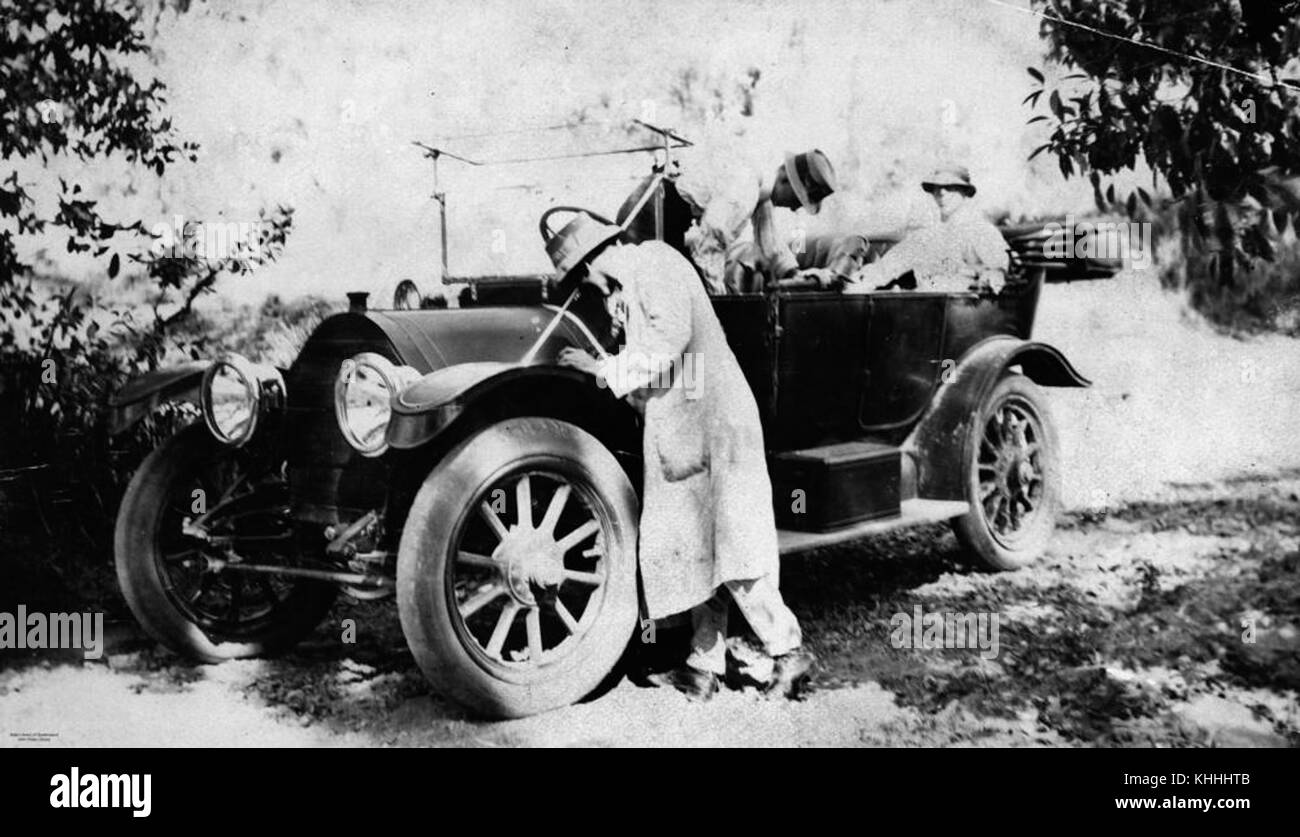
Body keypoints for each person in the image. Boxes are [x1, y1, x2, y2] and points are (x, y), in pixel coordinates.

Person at [547, 212, 817, 701]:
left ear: (594, 257)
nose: (584, 284)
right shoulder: (626, 287)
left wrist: (603, 367)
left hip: (716, 424)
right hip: (681, 429)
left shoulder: (655, 263)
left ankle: (789, 651)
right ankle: (703, 663)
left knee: (736, 546)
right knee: (692, 548)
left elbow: (668, 340)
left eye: (580, 273)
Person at [674, 147, 838, 294]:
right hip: (666, 212)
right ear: (786, 180)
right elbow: (709, 244)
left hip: (679, 221)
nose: (794, 208)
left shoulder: (763, 194)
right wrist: (718, 298)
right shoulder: (746, 186)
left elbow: (771, 243)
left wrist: (794, 274)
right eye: (797, 200)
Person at [843, 165, 1008, 294]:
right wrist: (859, 281)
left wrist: (989, 276)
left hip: (964, 315)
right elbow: (889, 266)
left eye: (950, 187)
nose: (942, 193)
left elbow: (998, 270)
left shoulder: (980, 231)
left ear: (964, 192)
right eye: (936, 188)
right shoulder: (925, 236)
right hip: (925, 311)